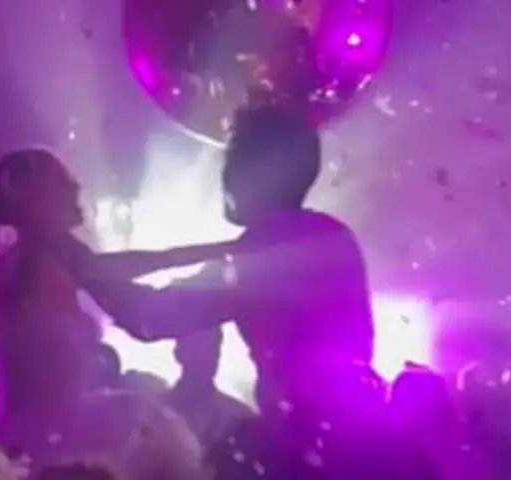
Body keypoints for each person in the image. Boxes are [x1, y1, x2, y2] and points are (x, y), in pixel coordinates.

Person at [51, 104, 417, 477]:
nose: (224, 175)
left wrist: (62, 247)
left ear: (256, 173)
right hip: (366, 440)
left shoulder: (264, 247)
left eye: (231, 161)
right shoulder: (329, 235)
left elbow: (148, 316)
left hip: (322, 455)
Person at [0, 149, 233, 427]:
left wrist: (219, 254)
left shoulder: (43, 258)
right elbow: (143, 314)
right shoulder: (43, 261)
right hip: (52, 431)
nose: (76, 187)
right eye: (62, 182)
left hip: (45, 427)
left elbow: (129, 279)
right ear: (35, 199)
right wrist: (236, 289)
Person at [167, 327, 251, 449]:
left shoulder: (240, 419)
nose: (206, 359)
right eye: (197, 350)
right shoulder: (153, 415)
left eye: (212, 350)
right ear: (179, 353)